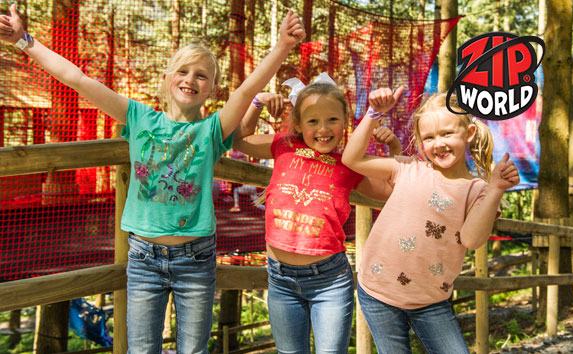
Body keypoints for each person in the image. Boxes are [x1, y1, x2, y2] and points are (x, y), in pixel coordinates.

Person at [0, 4, 306, 353]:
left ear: (213, 90)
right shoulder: (138, 116)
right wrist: (25, 40)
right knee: (142, 349)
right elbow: (78, 79)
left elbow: (246, 90)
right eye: (183, 71)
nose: (190, 79)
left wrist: (282, 46)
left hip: (195, 259)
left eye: (201, 76)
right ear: (167, 78)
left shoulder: (212, 130)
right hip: (144, 258)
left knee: (194, 350)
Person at [342, 88, 520, 354]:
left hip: (431, 300)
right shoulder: (408, 168)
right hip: (377, 291)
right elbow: (351, 159)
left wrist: (496, 189)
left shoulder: (478, 190)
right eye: (429, 137)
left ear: (469, 133)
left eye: (447, 133)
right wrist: (374, 114)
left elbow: (472, 239)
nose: (438, 143)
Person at [233, 73, 401, 354]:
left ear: (345, 122)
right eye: (312, 121)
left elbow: (393, 190)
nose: (323, 129)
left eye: (332, 119)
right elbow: (241, 140)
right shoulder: (283, 144)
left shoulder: (349, 163)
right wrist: (257, 102)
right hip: (280, 279)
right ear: (298, 124)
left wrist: (393, 148)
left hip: (330, 281)